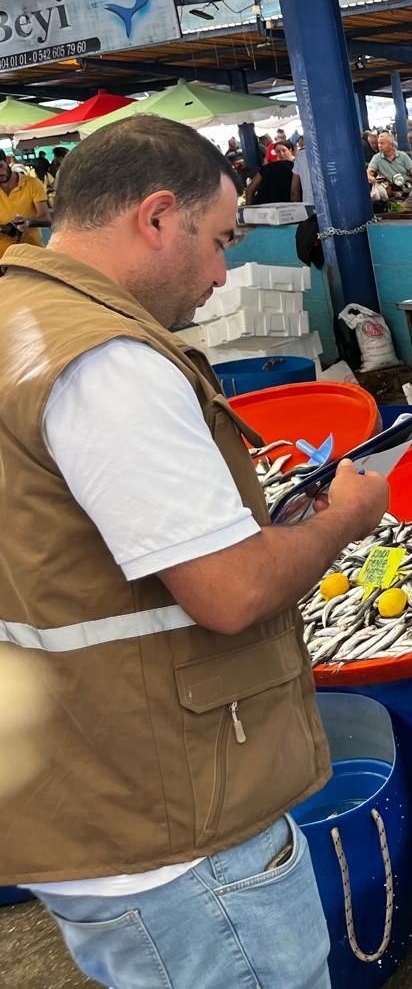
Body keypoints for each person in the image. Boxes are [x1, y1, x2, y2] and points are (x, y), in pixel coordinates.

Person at [0, 115, 391, 989]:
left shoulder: (14, 314)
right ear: (157, 217)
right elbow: (228, 591)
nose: (221, 276)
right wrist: (342, 521)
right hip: (178, 832)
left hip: (85, 793)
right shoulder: (105, 361)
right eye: (218, 243)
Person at [0, 155, 50, 255]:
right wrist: (3, 228)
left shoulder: (32, 184)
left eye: (0, 166)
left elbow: (46, 218)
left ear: (7, 161)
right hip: (3, 257)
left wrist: (28, 222)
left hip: (32, 252)